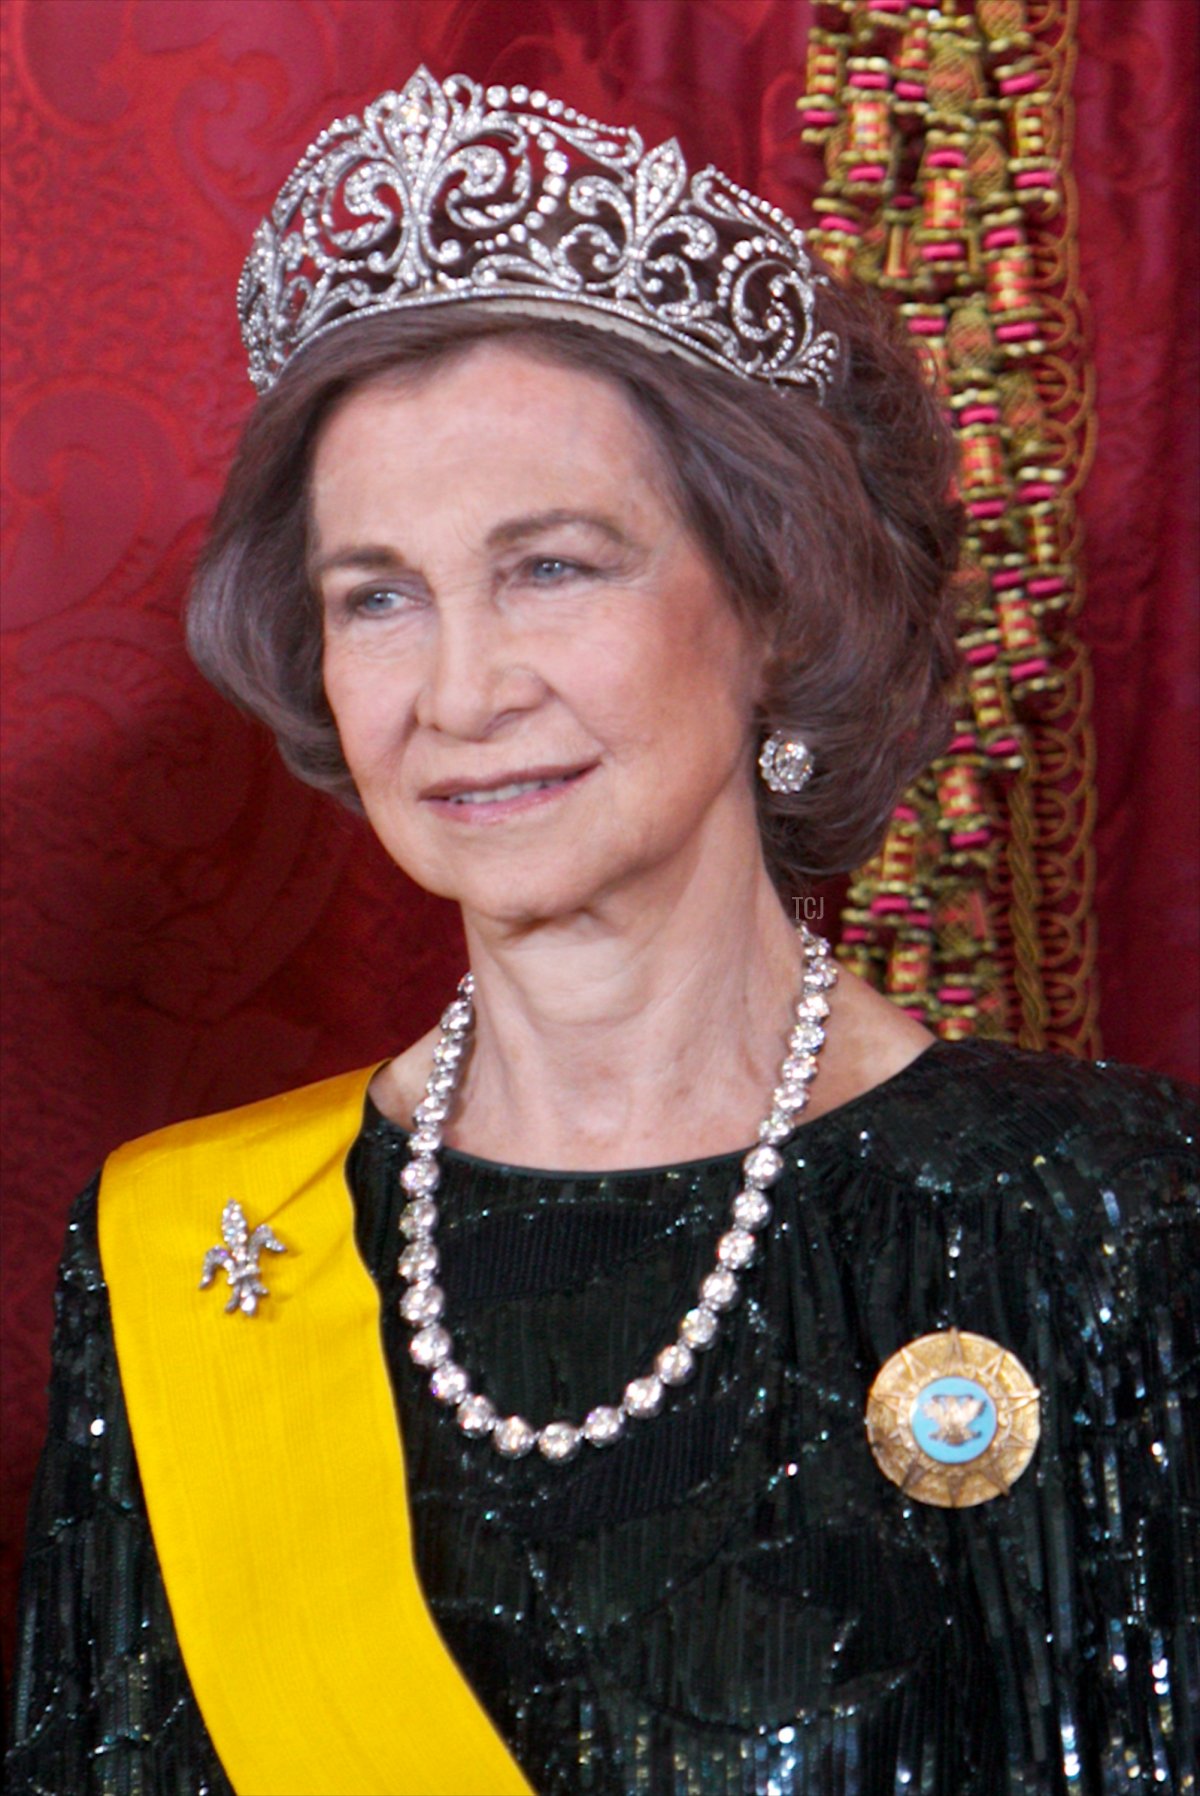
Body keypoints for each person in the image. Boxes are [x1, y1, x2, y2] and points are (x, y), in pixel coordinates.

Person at [7, 66, 1196, 1796]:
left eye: (554, 566)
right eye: (379, 596)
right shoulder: (183, 1254)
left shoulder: (1104, 1219)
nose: (463, 690)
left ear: (777, 608)